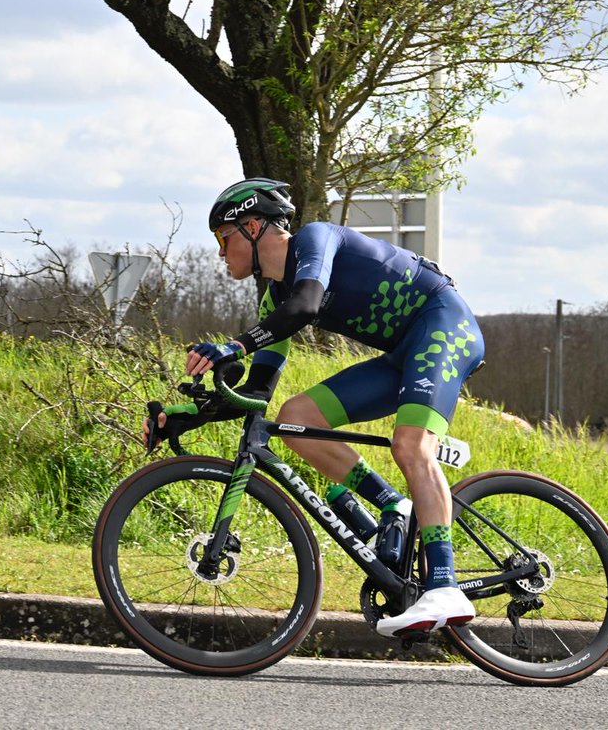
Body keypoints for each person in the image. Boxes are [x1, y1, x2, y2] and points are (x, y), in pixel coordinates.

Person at [146, 178, 485, 638]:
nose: (220, 253)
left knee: (411, 447)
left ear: (251, 226)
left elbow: (307, 305)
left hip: (444, 326)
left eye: (223, 239)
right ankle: (393, 505)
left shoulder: (315, 239)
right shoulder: (276, 298)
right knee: (294, 418)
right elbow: (258, 393)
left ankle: (444, 584)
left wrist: (235, 344)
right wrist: (184, 416)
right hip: (404, 353)